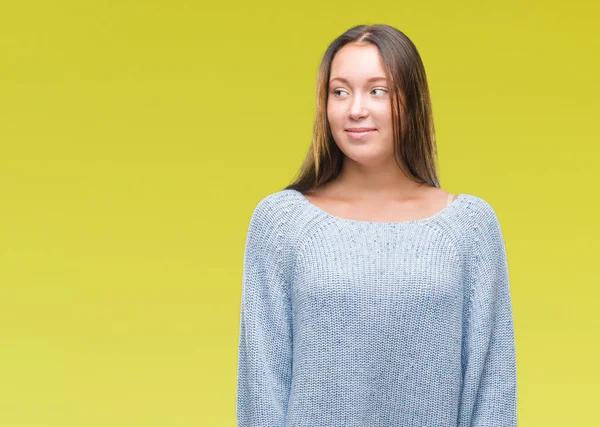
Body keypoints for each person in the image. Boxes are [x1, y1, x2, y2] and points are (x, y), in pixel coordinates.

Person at [236, 24, 517, 427]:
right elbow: (261, 388)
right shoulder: (281, 223)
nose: (355, 109)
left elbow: (493, 388)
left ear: (413, 101)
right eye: (340, 91)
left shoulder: (469, 228)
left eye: (377, 90)